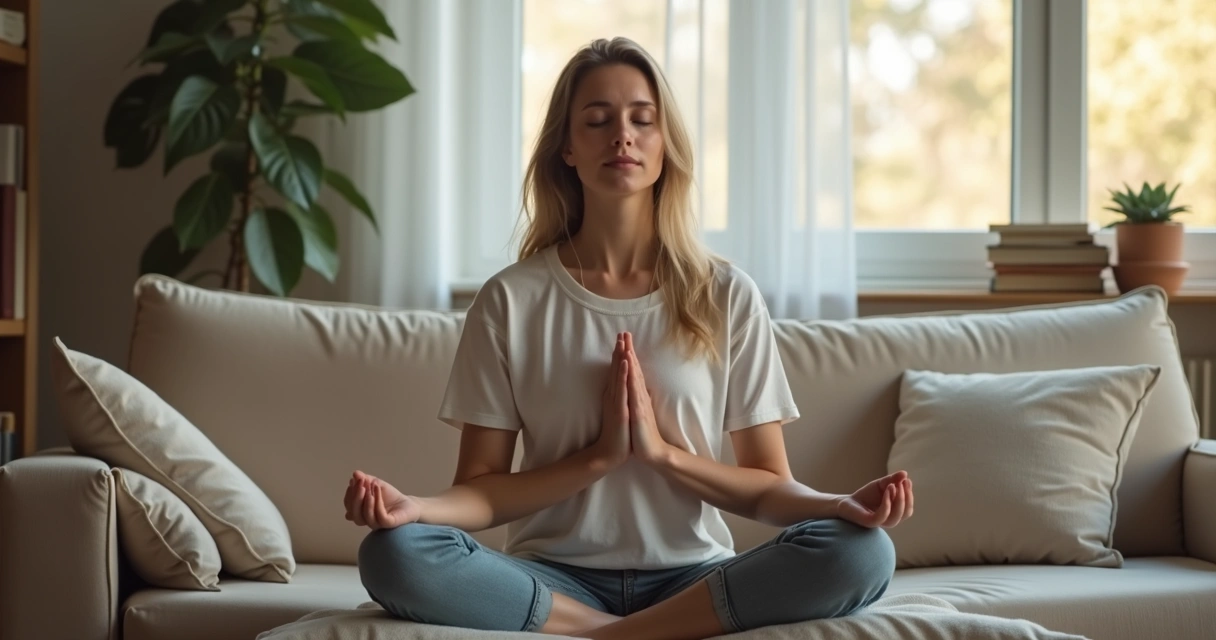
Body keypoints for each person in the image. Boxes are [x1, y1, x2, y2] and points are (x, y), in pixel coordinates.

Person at [343, 37, 913, 640]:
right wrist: (423, 508)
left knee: (864, 552)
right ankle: (626, 629)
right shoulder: (511, 298)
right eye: (598, 120)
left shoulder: (725, 294)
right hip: (551, 577)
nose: (623, 136)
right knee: (393, 554)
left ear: (665, 146)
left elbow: (769, 488)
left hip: (694, 577)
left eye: (643, 120)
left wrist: (827, 503)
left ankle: (610, 635)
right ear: (566, 146)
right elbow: (482, 495)